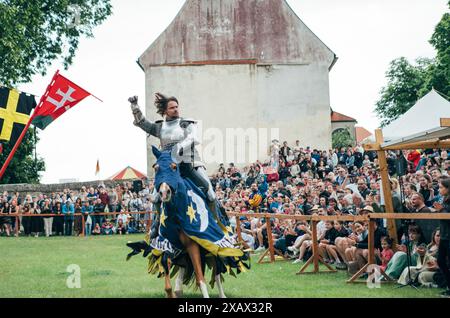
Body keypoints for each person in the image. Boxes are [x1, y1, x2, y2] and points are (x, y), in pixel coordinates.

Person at [129, 94, 225, 234]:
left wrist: (179, 147)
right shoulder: (160, 127)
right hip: (169, 167)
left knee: (210, 193)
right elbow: (142, 123)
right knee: (155, 197)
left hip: (191, 162)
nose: (176, 109)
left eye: (176, 107)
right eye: (172, 108)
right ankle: (158, 223)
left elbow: (193, 137)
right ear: (165, 111)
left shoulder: (186, 123)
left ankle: (218, 224)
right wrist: (135, 107)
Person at [433, 177, 450, 297]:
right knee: (440, 261)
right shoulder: (443, 200)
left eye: (441, 187)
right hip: (444, 235)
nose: (439, 189)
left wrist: (441, 209)